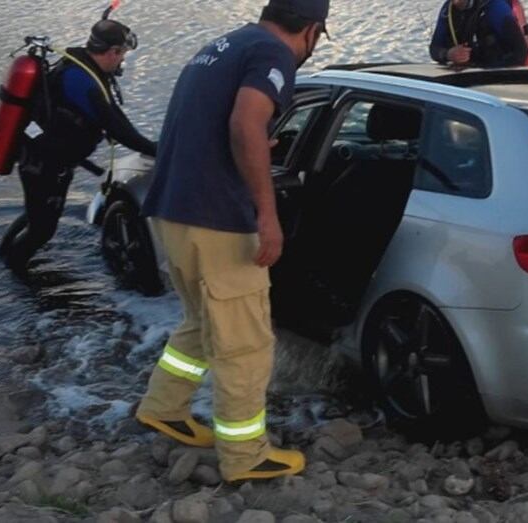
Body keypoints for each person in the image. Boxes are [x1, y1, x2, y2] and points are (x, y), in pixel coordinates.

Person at [135, 0, 330, 482]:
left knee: (201, 322)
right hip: (217, 220)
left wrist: (254, 147)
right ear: (311, 29)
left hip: (171, 211)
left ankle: (164, 407)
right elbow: (244, 124)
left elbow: (211, 126)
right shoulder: (272, 54)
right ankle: (245, 457)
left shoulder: (223, 46)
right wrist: (268, 214)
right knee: (245, 344)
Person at [0, 19, 157, 276]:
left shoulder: (82, 67)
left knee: (37, 216)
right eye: (123, 55)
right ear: (113, 51)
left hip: (48, 159)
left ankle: (5, 256)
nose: (122, 62)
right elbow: (120, 130)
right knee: (42, 231)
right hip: (42, 164)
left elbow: (112, 120)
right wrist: (160, 151)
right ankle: (11, 275)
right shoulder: (84, 83)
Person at [429, 0, 528, 67]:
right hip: (468, 77)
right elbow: (434, 48)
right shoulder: (447, 11)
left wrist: (487, 72)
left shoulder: (494, 7)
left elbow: (521, 51)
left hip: (495, 77)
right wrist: (448, 54)